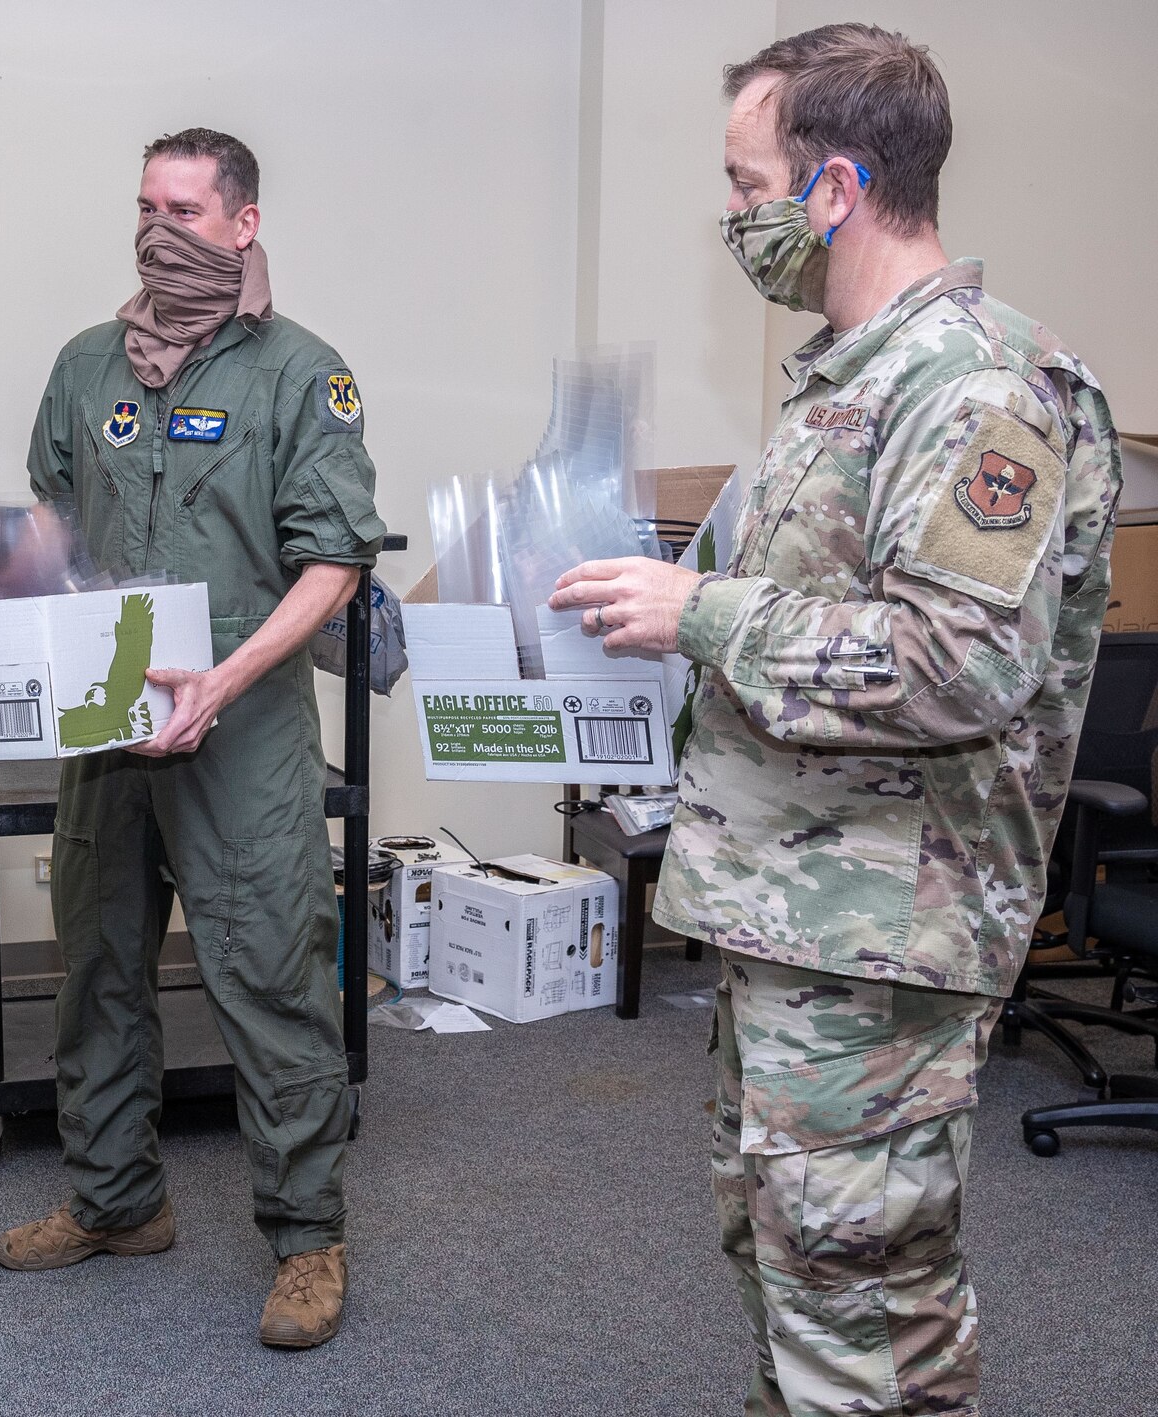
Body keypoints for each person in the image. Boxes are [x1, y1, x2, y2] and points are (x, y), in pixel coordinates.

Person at [550, 25, 1119, 1415]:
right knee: (800, 1259)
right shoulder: (845, 378)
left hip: (887, 935)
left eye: (747, 181)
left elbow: (959, 663)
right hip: (804, 912)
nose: (734, 214)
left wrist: (704, 615)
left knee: (859, 1291)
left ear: (837, 188)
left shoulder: (981, 387)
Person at [0, 129, 386, 1349]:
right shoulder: (83, 364)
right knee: (99, 969)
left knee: (269, 979)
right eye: (143, 207)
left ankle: (305, 1235)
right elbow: (53, 525)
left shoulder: (299, 374)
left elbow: (334, 560)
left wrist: (226, 675)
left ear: (240, 222)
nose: (156, 229)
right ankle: (116, 1202)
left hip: (242, 728)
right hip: (109, 726)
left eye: (182, 208)